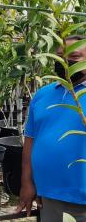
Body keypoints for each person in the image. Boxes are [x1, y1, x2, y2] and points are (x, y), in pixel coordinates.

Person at [16, 35, 86, 221]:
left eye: (74, 57)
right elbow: (30, 141)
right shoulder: (43, 95)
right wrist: (27, 183)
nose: (65, 62)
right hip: (48, 195)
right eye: (60, 56)